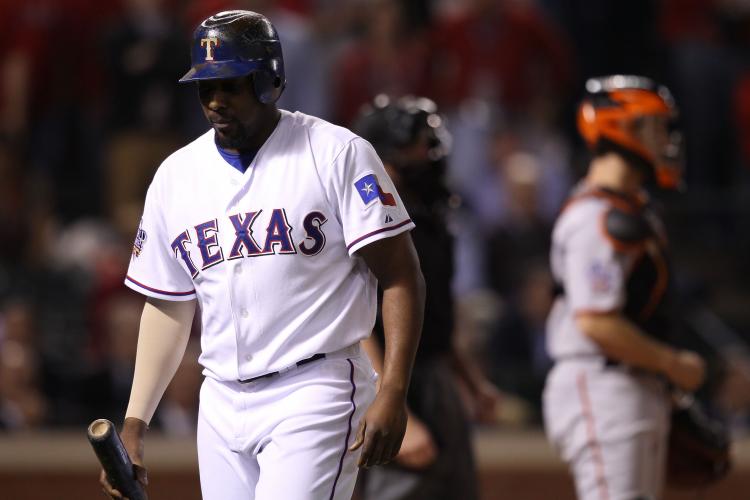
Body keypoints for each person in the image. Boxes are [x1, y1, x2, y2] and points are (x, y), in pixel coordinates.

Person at [99, 10, 425, 500]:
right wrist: (135, 422)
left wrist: (396, 388)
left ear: (269, 80)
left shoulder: (336, 152)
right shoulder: (175, 176)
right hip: (221, 397)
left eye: (230, 85)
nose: (214, 101)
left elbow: (401, 275)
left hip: (315, 385)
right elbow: (168, 304)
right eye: (205, 88)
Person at [542, 75, 707, 500]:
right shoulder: (595, 216)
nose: (666, 139)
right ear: (622, 128)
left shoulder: (632, 208)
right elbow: (597, 323)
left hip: (632, 383)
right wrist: (672, 364)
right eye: (655, 126)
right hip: (603, 383)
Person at [352, 95, 501, 500]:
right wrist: (388, 403)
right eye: (417, 142)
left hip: (433, 376)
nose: (429, 153)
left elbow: (433, 316)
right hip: (391, 378)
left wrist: (470, 380)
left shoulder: (430, 215)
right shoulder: (364, 217)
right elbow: (357, 322)